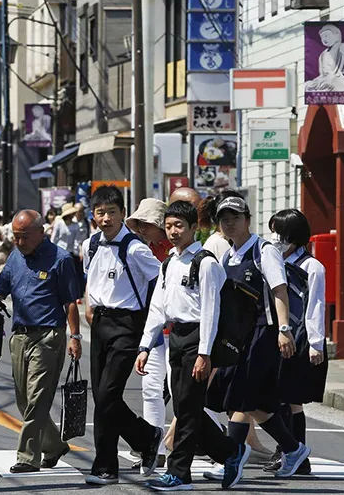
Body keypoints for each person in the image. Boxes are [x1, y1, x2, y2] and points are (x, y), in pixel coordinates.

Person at [204, 196, 311, 483]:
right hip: (237, 338)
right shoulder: (228, 256)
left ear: (247, 220)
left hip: (264, 333)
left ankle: (232, 458)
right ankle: (293, 448)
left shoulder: (264, 251)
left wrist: (284, 330)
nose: (229, 223)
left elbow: (280, 291)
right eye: (224, 219)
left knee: (240, 397)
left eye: (235, 218)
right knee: (254, 404)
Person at [136, 201, 242, 491]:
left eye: (179, 226)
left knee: (187, 409)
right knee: (186, 408)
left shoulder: (205, 262)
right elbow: (157, 307)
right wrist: (145, 345)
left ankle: (179, 473)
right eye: (168, 226)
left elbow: (211, 310)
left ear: (195, 228)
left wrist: (204, 354)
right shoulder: (169, 262)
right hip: (176, 338)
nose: (172, 232)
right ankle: (230, 451)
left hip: (198, 339)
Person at [82, 186, 163, 485]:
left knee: (108, 396)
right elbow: (90, 279)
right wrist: (89, 307)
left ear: (122, 214)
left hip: (128, 325)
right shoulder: (90, 244)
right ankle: (109, 464)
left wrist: (153, 322)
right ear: (93, 215)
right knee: (102, 397)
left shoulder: (135, 248)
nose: (106, 219)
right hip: (100, 323)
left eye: (112, 213)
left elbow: (161, 281)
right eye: (100, 213)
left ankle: (139, 442)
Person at [0, 210, 82, 473]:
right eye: (15, 236)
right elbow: (0, 290)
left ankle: (27, 457)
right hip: (19, 335)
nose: (19, 242)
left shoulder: (61, 259)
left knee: (37, 399)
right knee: (23, 400)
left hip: (48, 336)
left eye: (24, 237)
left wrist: (75, 336)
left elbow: (70, 302)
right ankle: (55, 446)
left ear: (40, 232)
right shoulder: (15, 257)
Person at [264, 209, 328, 475]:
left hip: (300, 338)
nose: (275, 239)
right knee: (275, 397)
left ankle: (297, 453)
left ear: (293, 236)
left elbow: (316, 306)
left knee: (293, 398)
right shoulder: (273, 260)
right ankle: (286, 449)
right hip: (276, 336)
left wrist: (315, 343)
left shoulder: (312, 267)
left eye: (279, 233)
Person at [124, 198, 171, 471]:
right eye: (138, 224)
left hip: (179, 330)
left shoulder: (177, 249)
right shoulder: (139, 249)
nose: (141, 229)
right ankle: (155, 448)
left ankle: (214, 443)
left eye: (146, 224)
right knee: (151, 390)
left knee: (185, 392)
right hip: (153, 329)